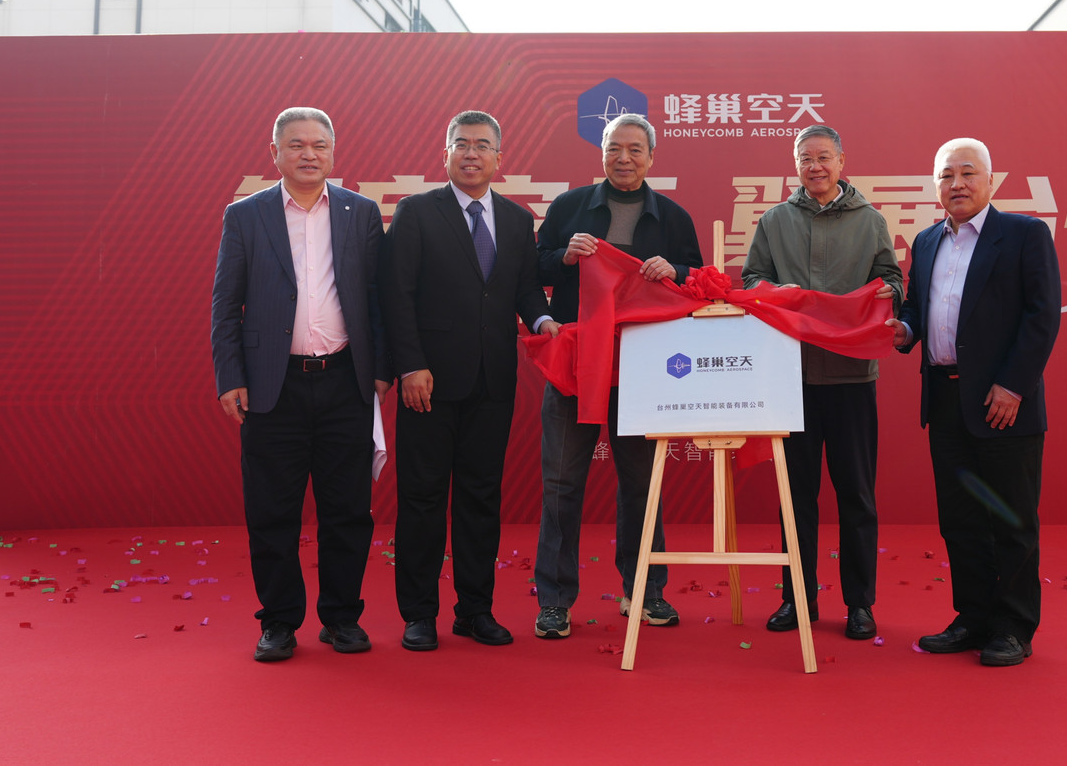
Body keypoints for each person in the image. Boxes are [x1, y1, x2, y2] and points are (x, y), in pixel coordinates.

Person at [211, 107, 389, 662]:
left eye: (319, 144)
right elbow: (225, 303)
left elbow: (378, 298)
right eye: (296, 145)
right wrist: (230, 376)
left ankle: (342, 618)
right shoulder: (245, 216)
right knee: (272, 511)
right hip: (273, 386)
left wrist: (381, 369)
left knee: (348, 511)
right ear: (275, 153)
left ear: (333, 152)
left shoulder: (361, 212)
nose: (308, 154)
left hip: (345, 381)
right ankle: (279, 621)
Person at [379, 110, 560, 652]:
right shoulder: (416, 212)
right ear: (446, 155)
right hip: (427, 383)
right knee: (422, 499)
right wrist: (410, 365)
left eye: (482, 145)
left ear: (499, 158)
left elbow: (525, 288)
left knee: (481, 499)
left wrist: (542, 320)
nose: (472, 153)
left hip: (492, 380)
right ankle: (418, 614)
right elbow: (396, 295)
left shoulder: (516, 219)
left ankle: (475, 611)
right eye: (462, 144)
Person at [887, 137, 1060, 667]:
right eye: (946, 175)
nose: (956, 184)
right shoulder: (926, 241)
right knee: (960, 519)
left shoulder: (1024, 234)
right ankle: (973, 617)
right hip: (945, 399)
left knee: (1010, 519)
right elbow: (917, 307)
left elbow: (1042, 315)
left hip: (1002, 402)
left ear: (990, 180)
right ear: (935, 184)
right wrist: (904, 329)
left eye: (967, 173)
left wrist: (1013, 386)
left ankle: (1013, 627)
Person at [532, 113, 704, 639]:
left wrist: (676, 271)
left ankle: (645, 591)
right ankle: (554, 600)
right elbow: (533, 268)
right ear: (601, 152)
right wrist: (565, 257)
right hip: (577, 364)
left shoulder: (673, 217)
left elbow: (699, 280)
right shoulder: (569, 208)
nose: (623, 158)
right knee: (561, 482)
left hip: (644, 368)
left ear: (651, 157)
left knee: (641, 484)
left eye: (634, 150)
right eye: (614, 148)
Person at [742, 124, 902, 640]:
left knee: (856, 493)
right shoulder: (774, 220)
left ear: (841, 161)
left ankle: (860, 603)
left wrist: (883, 296)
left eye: (824, 157)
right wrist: (778, 293)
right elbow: (751, 280)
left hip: (852, 376)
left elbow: (892, 279)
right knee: (796, 497)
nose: (815, 166)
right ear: (796, 164)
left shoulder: (870, 220)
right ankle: (797, 598)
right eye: (805, 158)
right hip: (792, 378)